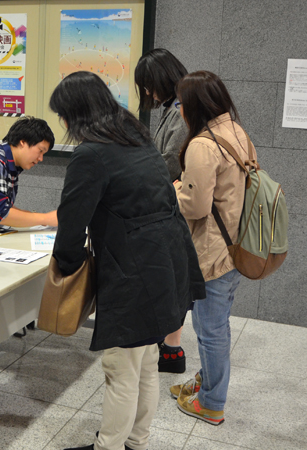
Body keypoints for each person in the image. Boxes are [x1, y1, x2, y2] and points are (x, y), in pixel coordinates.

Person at [49, 71, 205, 450]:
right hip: (168, 260)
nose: (65, 125)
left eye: (64, 115)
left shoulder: (91, 153)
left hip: (135, 269)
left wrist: (67, 268)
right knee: (146, 361)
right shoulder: (136, 137)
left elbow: (72, 221)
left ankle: (109, 446)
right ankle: (137, 441)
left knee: (120, 368)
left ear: (77, 113)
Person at [170, 71, 253, 426]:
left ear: (193, 105)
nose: (178, 110)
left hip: (213, 253)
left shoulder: (204, 144)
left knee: (210, 329)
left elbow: (195, 206)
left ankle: (212, 402)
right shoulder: (235, 130)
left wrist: (173, 187)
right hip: (235, 247)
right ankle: (206, 385)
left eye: (180, 103)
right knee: (216, 325)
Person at [135, 48, 189, 374]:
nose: (147, 92)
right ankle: (170, 348)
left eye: (148, 84)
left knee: (171, 281)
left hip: (174, 204)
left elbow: (170, 160)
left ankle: (171, 351)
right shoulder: (175, 106)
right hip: (170, 201)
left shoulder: (182, 110)